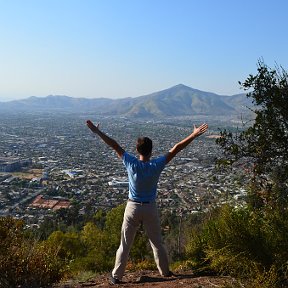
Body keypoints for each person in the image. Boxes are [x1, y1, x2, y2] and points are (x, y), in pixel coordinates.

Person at [86, 120, 208, 285]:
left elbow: (114, 145)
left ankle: (116, 276)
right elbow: (177, 148)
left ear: (137, 150)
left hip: (132, 207)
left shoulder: (131, 162)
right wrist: (194, 134)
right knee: (157, 242)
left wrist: (98, 132)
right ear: (152, 151)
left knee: (125, 244)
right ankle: (165, 272)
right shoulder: (156, 164)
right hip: (150, 207)